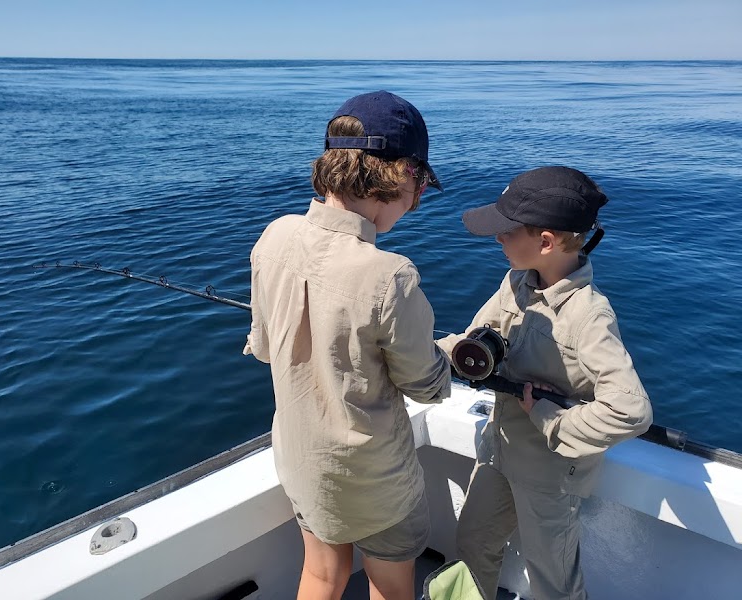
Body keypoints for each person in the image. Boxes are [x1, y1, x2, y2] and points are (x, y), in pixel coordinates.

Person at [244, 91, 452, 600]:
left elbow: (268, 347)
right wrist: (447, 351)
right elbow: (426, 387)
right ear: (403, 176)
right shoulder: (391, 276)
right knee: (390, 587)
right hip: (375, 479)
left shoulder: (273, 237)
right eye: (420, 184)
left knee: (320, 575)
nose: (416, 202)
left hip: (302, 460)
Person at [437, 166, 653, 600]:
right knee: (472, 545)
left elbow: (631, 410)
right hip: (498, 451)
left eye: (506, 231)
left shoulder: (588, 315)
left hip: (549, 474)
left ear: (546, 242)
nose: (497, 238)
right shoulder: (517, 281)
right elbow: (476, 338)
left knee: (552, 577)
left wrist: (551, 419)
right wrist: (422, 354)